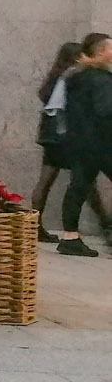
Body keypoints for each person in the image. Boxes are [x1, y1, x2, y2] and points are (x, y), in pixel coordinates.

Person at [33, 41, 109, 244]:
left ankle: (38, 228)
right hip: (68, 137)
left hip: (55, 136)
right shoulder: (79, 76)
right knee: (83, 184)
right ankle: (104, 224)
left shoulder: (61, 76)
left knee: (51, 182)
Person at [59, 32, 112, 257]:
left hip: (78, 142)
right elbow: (105, 110)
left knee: (77, 188)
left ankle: (70, 237)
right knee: (78, 188)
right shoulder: (102, 79)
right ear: (102, 53)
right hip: (102, 144)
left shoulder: (76, 77)